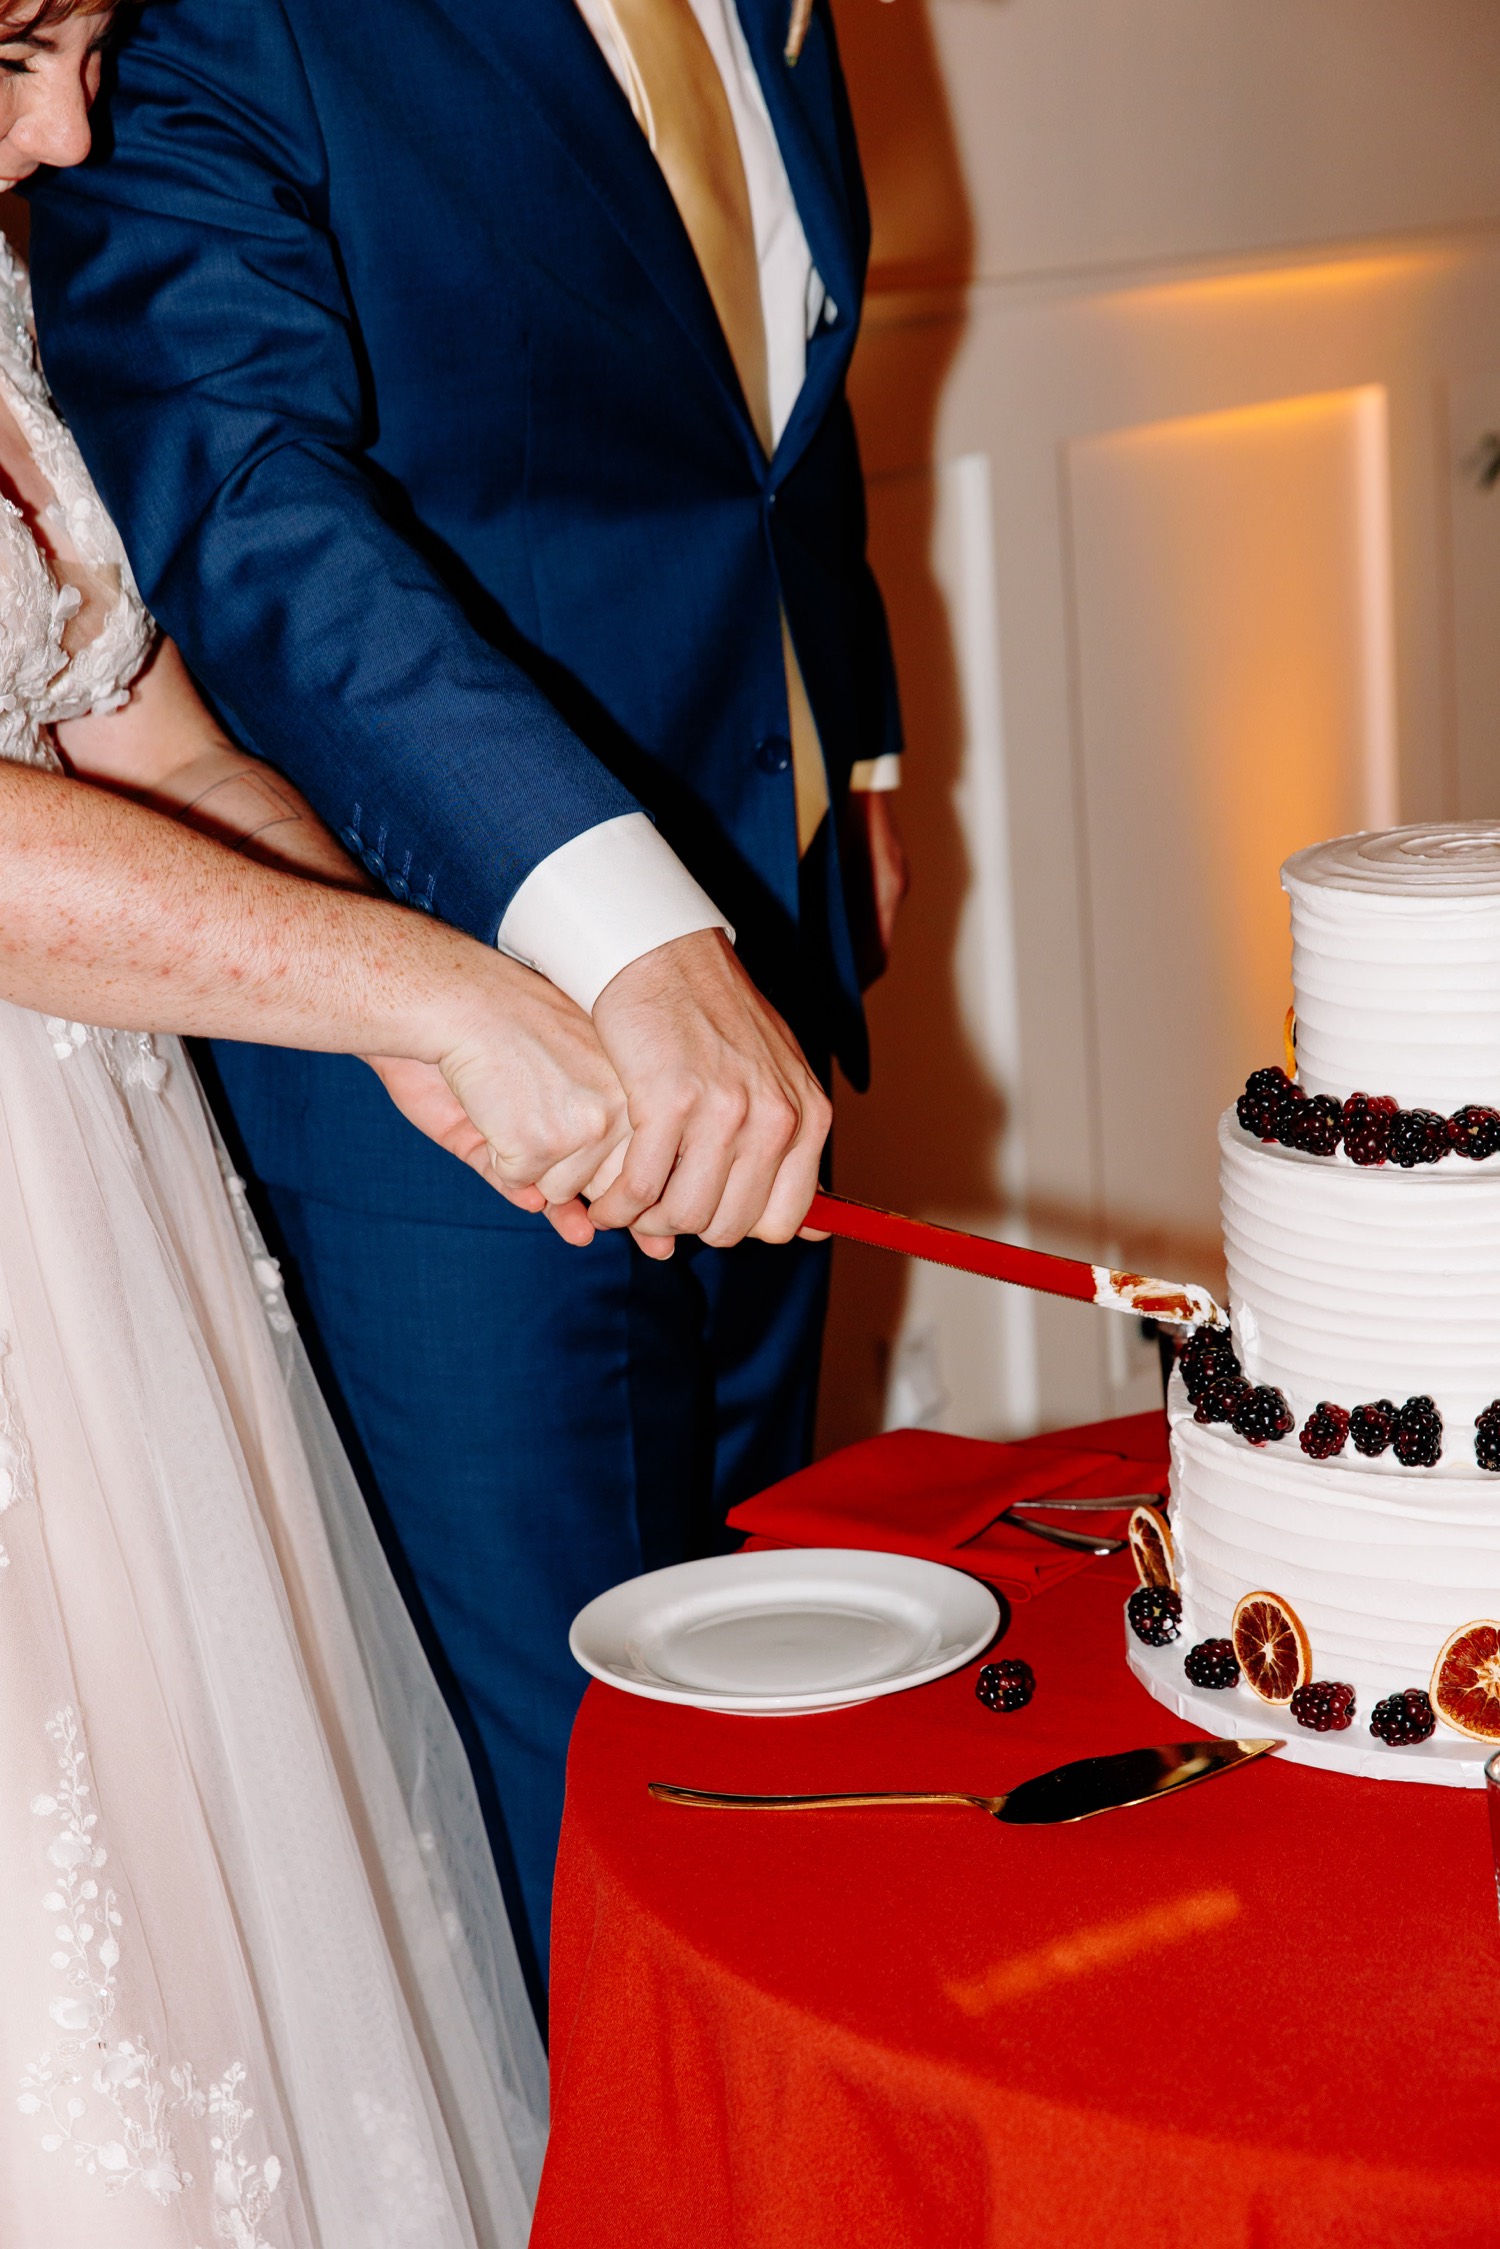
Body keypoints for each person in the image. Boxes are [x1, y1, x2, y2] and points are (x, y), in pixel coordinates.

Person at [27, 0, 907, 1978]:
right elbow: (246, 483)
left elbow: (765, 397)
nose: (63, 118)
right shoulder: (211, 22)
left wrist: (852, 754)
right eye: (21, 54)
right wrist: (558, 950)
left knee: (755, 1711)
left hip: (694, 971)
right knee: (567, 1836)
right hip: (418, 1053)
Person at [0, 3, 652, 2231]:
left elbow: (145, 746)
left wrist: (409, 1027)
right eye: (10, 45)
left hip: (92, 1237)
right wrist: (435, 986)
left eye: (79, 43)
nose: (72, 125)